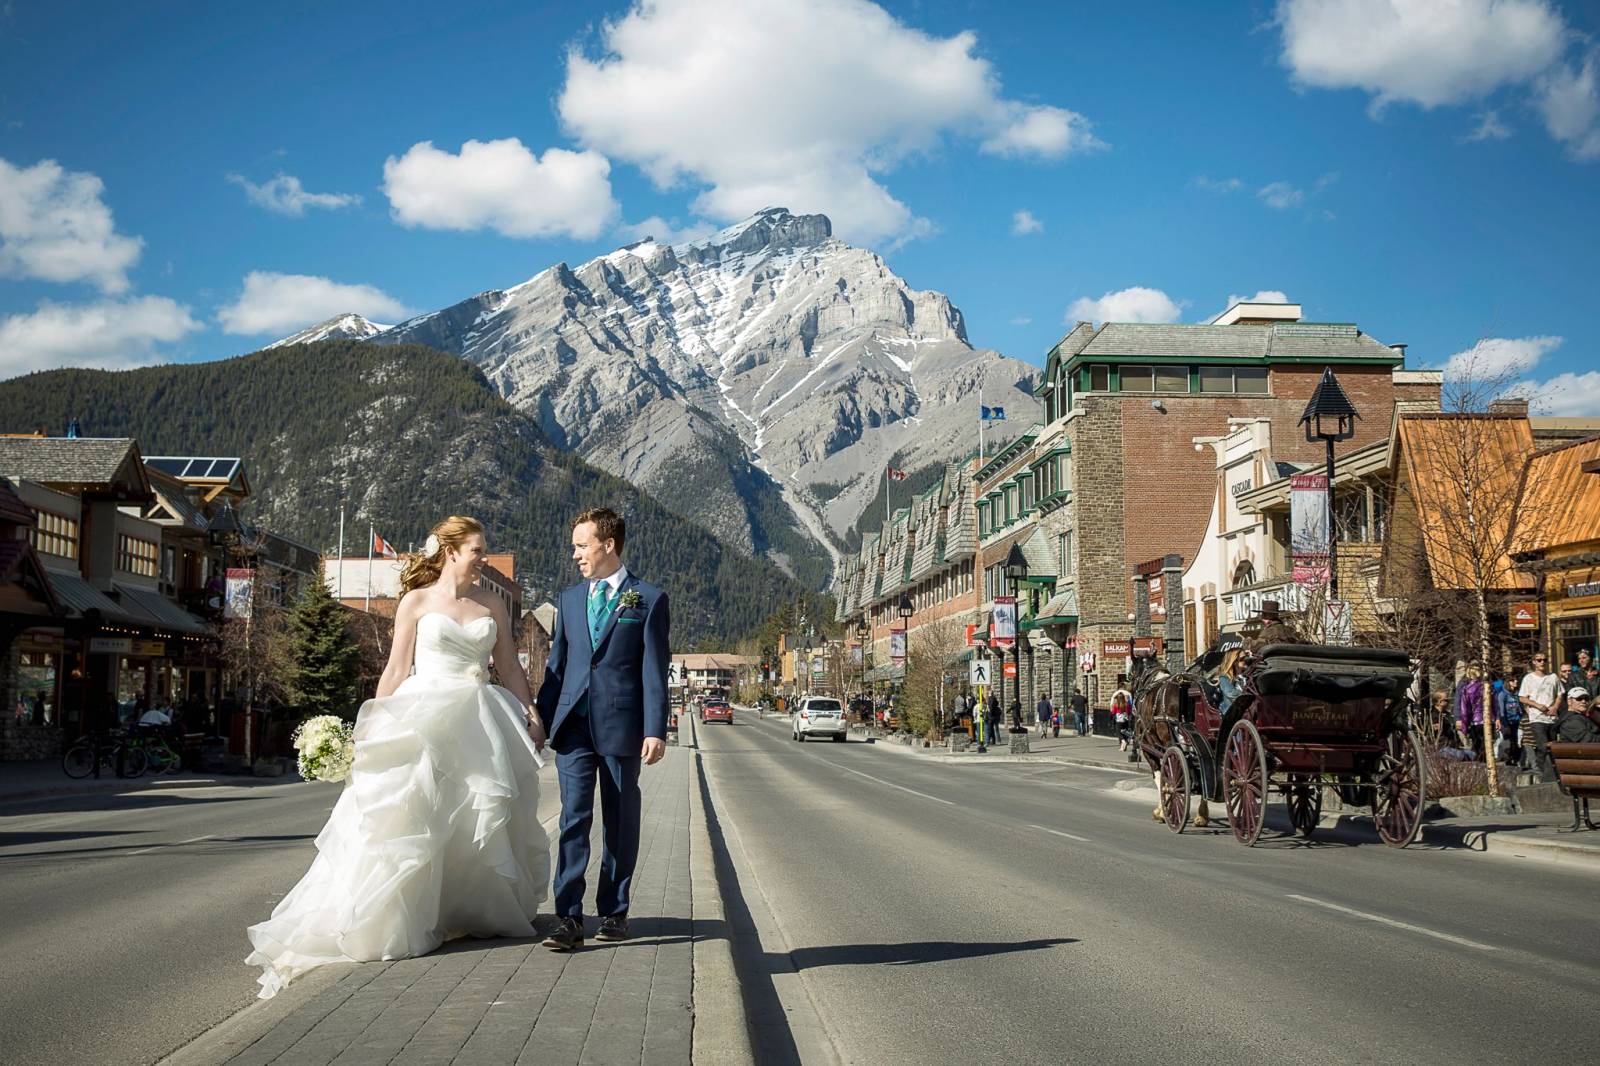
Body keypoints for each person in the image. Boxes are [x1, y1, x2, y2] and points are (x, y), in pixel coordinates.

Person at [247, 516, 548, 999]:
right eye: (475, 549)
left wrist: (531, 713)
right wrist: (370, 728)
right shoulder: (416, 602)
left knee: (475, 815)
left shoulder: (492, 602)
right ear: (450, 551)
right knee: (420, 814)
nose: (483, 557)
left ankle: (468, 908)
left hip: (479, 717)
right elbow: (395, 668)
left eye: (484, 549)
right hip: (423, 715)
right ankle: (409, 917)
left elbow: (509, 666)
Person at [537, 507, 672, 952]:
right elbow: (556, 669)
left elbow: (654, 670)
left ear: (607, 545)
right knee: (573, 818)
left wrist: (656, 728)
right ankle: (569, 918)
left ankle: (614, 911)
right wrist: (540, 720)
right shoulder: (569, 600)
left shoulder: (648, 599)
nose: (574, 553)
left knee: (620, 820)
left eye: (581, 544)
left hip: (622, 726)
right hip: (573, 726)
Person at [1517, 651, 1563, 782]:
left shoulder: (1553, 677)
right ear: (1534, 662)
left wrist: (1555, 707)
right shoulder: (1528, 678)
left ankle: (1554, 774)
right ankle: (1540, 772)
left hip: (1552, 717)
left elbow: (1560, 694)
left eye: (1544, 660)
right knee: (1543, 746)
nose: (1542, 662)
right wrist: (1537, 705)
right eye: (1539, 660)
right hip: (1537, 717)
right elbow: (1522, 698)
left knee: (1553, 747)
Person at [1215, 647, 1246, 714]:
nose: (1246, 661)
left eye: (1246, 658)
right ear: (1234, 662)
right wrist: (1248, 695)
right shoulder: (1224, 677)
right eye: (1242, 659)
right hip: (1231, 712)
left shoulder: (1246, 675)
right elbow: (1231, 693)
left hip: (1245, 710)